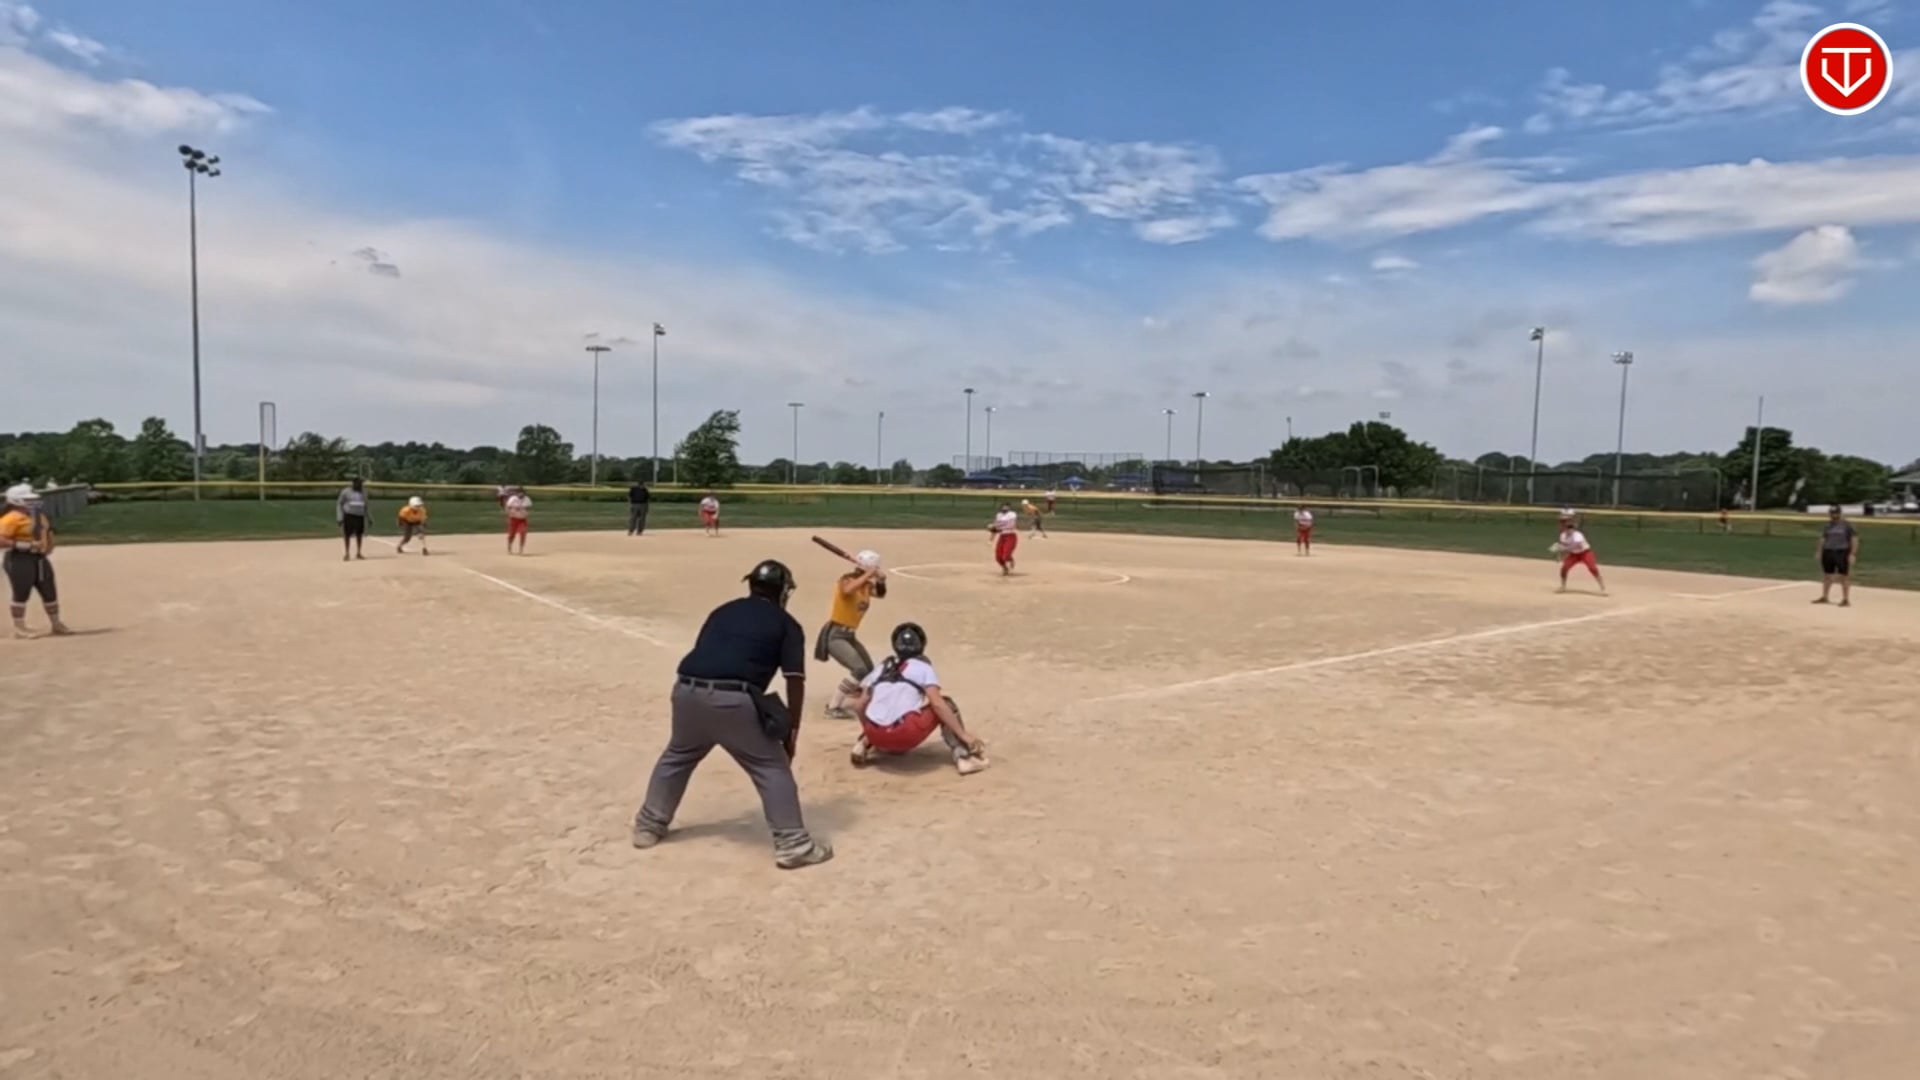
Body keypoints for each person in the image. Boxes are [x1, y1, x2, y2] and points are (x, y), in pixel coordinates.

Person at [631, 559, 832, 869]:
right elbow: (795, 680)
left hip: (686, 692)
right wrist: (791, 731)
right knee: (771, 767)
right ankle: (794, 845)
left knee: (678, 755)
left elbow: (710, 654)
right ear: (783, 591)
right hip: (732, 701)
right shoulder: (786, 624)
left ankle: (648, 825)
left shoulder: (722, 611)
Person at [848, 623, 989, 776]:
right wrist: (964, 735)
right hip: (905, 733)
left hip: (874, 734)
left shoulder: (882, 667)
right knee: (946, 704)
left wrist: (871, 733)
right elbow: (937, 704)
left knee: (875, 704)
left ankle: (863, 744)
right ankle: (964, 757)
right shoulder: (923, 667)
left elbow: (859, 705)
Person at [815, 549, 886, 719]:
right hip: (836, 635)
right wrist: (868, 574)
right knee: (859, 669)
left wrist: (880, 580)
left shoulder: (866, 586)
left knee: (868, 671)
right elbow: (847, 590)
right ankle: (833, 707)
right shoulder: (846, 579)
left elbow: (881, 594)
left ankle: (854, 690)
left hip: (849, 636)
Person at [3, 483, 69, 638]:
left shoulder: (38, 515)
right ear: (16, 501)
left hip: (39, 557)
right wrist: (24, 545)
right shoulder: (10, 519)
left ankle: (56, 623)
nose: (32, 502)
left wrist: (49, 544)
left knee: (48, 589)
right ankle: (20, 627)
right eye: (27, 499)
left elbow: (47, 531)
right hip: (19, 557)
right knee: (22, 591)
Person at [1813, 504, 1859, 607]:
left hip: (1842, 552)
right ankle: (1825, 596)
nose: (1833, 515)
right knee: (1827, 575)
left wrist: (1852, 554)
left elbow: (1854, 539)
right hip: (1828, 551)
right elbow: (1823, 539)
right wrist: (1819, 551)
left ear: (1840, 513)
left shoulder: (1847, 525)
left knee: (1844, 576)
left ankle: (1845, 599)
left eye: (1835, 513)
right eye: (1832, 513)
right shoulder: (1828, 525)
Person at [1553, 509, 1606, 594]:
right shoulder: (1563, 536)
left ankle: (1602, 588)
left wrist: (1563, 548)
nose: (1570, 529)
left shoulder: (1578, 535)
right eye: (1568, 528)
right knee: (1564, 568)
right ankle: (1563, 587)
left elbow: (1575, 546)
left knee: (1592, 568)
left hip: (1585, 553)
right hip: (1574, 555)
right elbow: (1562, 545)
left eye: (1571, 528)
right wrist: (1559, 555)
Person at [336, 477, 369, 561]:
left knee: (359, 534)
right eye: (359, 483)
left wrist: (368, 517)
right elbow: (339, 504)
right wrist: (340, 517)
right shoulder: (346, 492)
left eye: (361, 483)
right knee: (347, 535)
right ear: (354, 483)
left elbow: (365, 506)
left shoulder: (364, 492)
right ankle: (347, 553)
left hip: (360, 516)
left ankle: (358, 552)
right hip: (349, 515)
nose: (361, 485)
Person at [990, 502, 1019, 575]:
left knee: (1005, 555)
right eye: (1004, 507)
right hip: (1002, 536)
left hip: (1010, 536)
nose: (1005, 508)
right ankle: (1005, 568)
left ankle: (1010, 559)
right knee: (998, 557)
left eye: (1007, 507)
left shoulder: (1012, 514)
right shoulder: (999, 515)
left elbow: (1011, 525)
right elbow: (995, 527)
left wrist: (999, 528)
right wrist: (991, 538)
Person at [504, 486, 532, 554]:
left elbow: (529, 507)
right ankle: (510, 545)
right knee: (512, 534)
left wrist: (525, 512)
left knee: (523, 533)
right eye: (519, 492)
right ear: (516, 493)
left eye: (522, 492)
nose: (521, 494)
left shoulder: (527, 499)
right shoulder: (513, 499)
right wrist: (509, 512)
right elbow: (507, 507)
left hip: (522, 520)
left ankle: (521, 549)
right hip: (513, 519)